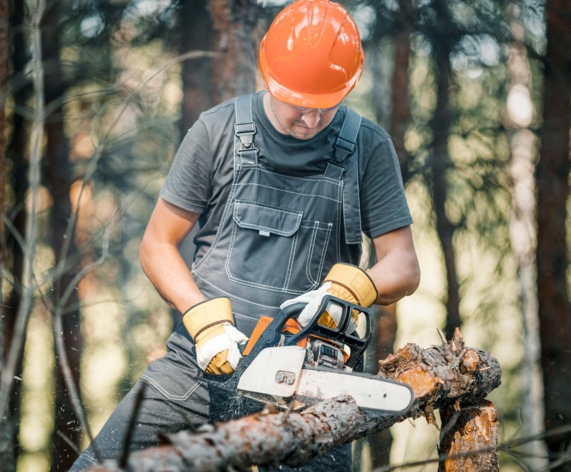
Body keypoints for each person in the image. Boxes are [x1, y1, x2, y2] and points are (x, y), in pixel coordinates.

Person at [70, 0, 420, 470]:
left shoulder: (368, 146)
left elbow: (404, 263)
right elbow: (156, 244)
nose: (312, 120)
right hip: (204, 364)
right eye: (300, 104)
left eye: (325, 106)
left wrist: (358, 286)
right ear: (268, 75)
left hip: (314, 381)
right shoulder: (217, 131)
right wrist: (200, 318)